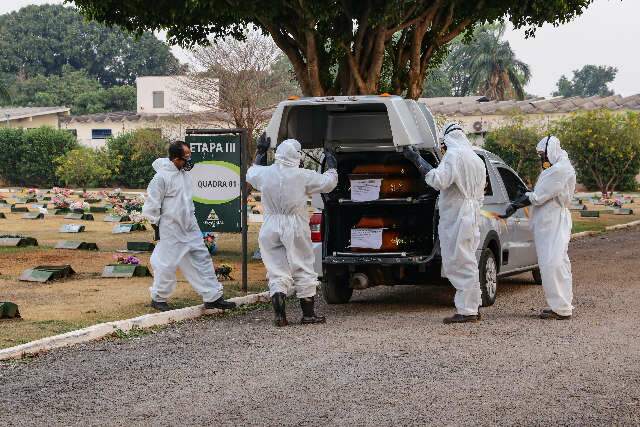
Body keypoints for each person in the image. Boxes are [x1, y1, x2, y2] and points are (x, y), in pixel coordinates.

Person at [247, 136, 338, 326]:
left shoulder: (265, 173)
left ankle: (280, 316)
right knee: (303, 265)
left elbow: (251, 172)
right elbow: (328, 183)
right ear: (296, 156)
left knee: (276, 270)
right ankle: (308, 315)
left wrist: (261, 152)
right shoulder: (302, 175)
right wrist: (331, 164)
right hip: (295, 224)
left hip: (270, 224)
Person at [403, 122, 486, 324]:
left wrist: (417, 160)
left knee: (458, 261)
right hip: (473, 213)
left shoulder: (454, 155)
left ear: (448, 140)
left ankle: (467, 311)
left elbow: (438, 180)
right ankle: (472, 306)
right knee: (468, 260)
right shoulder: (476, 159)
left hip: (459, 215)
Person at [142, 141, 236, 312]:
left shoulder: (184, 175)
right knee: (166, 264)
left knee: (202, 259)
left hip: (190, 227)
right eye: (186, 157)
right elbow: (152, 205)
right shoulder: (161, 177)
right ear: (176, 159)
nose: (189, 160)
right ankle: (158, 298)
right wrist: (156, 227)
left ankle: (213, 297)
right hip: (171, 229)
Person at [500, 136, 576, 320]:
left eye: (543, 155)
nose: (542, 159)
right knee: (554, 263)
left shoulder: (559, 170)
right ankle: (560, 305)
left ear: (551, 151)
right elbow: (540, 193)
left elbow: (539, 196)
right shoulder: (557, 167)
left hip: (554, 222)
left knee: (553, 263)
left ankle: (561, 308)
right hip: (549, 222)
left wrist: (516, 204)